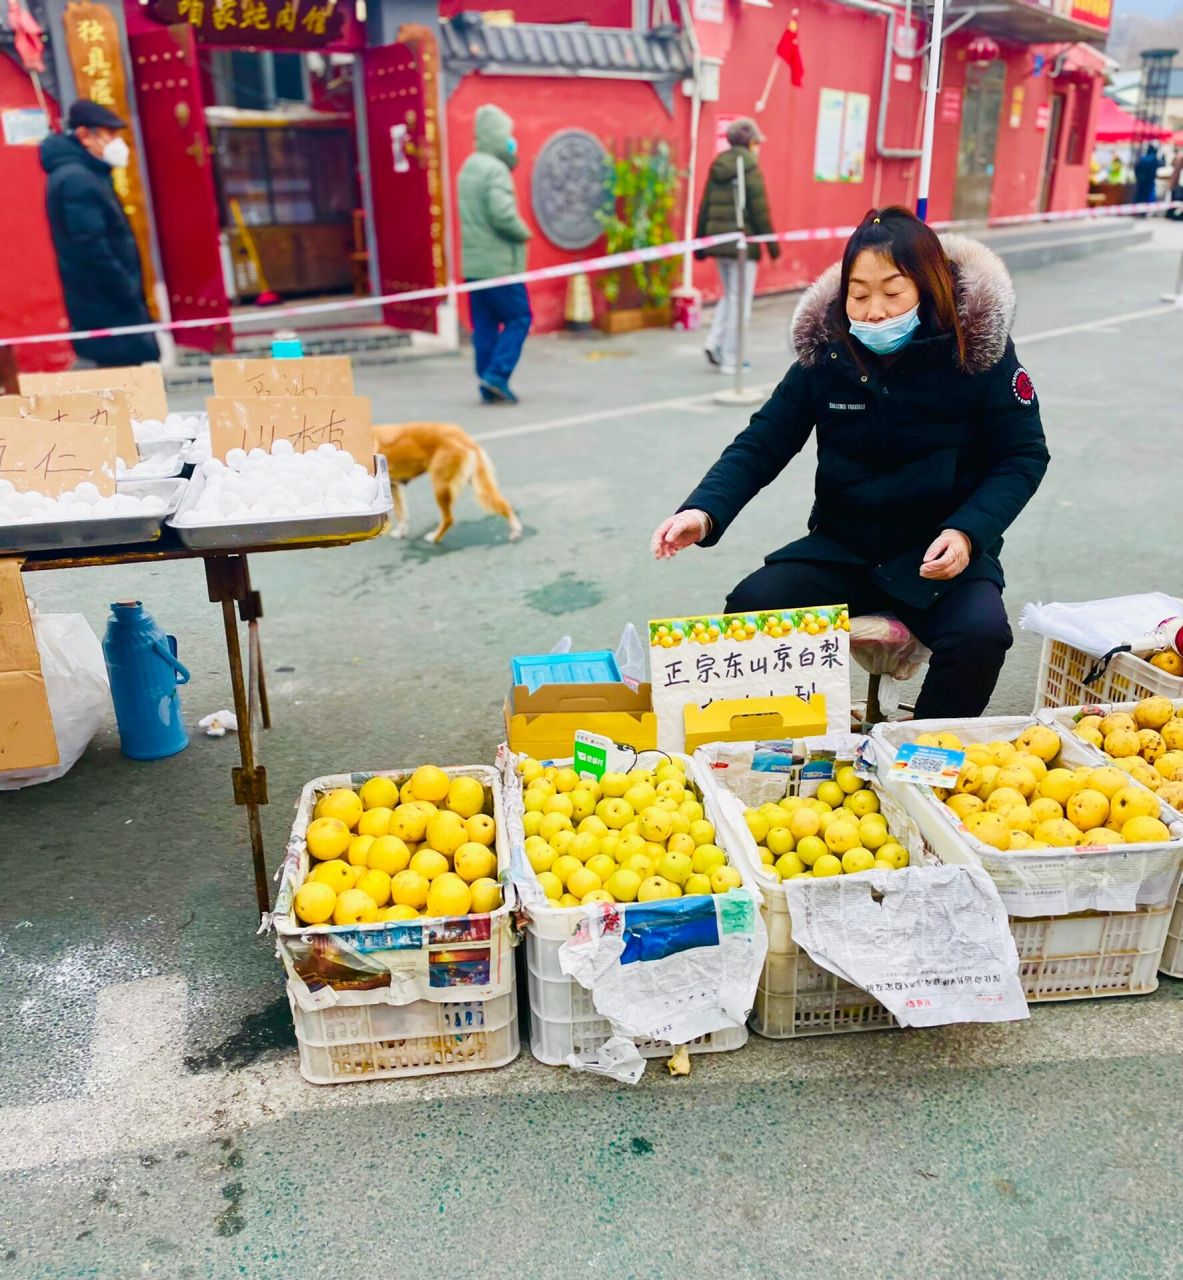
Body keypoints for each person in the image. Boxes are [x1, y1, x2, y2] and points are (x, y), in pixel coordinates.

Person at [651, 207, 1049, 719]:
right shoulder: (828, 355)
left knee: (981, 635)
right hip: (844, 548)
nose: (874, 312)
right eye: (859, 295)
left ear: (928, 287)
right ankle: (792, 740)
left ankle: (920, 749)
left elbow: (1023, 454)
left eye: (893, 292)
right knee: (751, 607)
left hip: (938, 555)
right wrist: (703, 511)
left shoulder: (978, 355)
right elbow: (763, 442)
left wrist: (968, 533)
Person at [40, 100, 159, 368]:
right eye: (110, 134)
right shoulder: (77, 179)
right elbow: (91, 245)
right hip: (107, 306)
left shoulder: (86, 174)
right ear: (84, 135)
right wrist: (125, 287)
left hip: (107, 303)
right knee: (121, 379)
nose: (117, 142)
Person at [457, 104, 532, 405]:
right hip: (499, 264)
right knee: (519, 317)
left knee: (485, 324)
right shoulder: (494, 169)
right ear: (498, 136)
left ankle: (487, 377)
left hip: (474, 264)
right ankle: (497, 375)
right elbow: (502, 215)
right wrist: (523, 232)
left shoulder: (469, 167)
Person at [695, 116, 779, 375]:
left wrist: (701, 242)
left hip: (719, 243)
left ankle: (714, 343)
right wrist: (772, 247)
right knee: (740, 302)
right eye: (757, 142)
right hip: (742, 245)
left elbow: (705, 205)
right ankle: (733, 358)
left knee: (730, 295)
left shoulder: (719, 164)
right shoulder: (749, 166)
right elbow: (759, 211)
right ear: (750, 142)